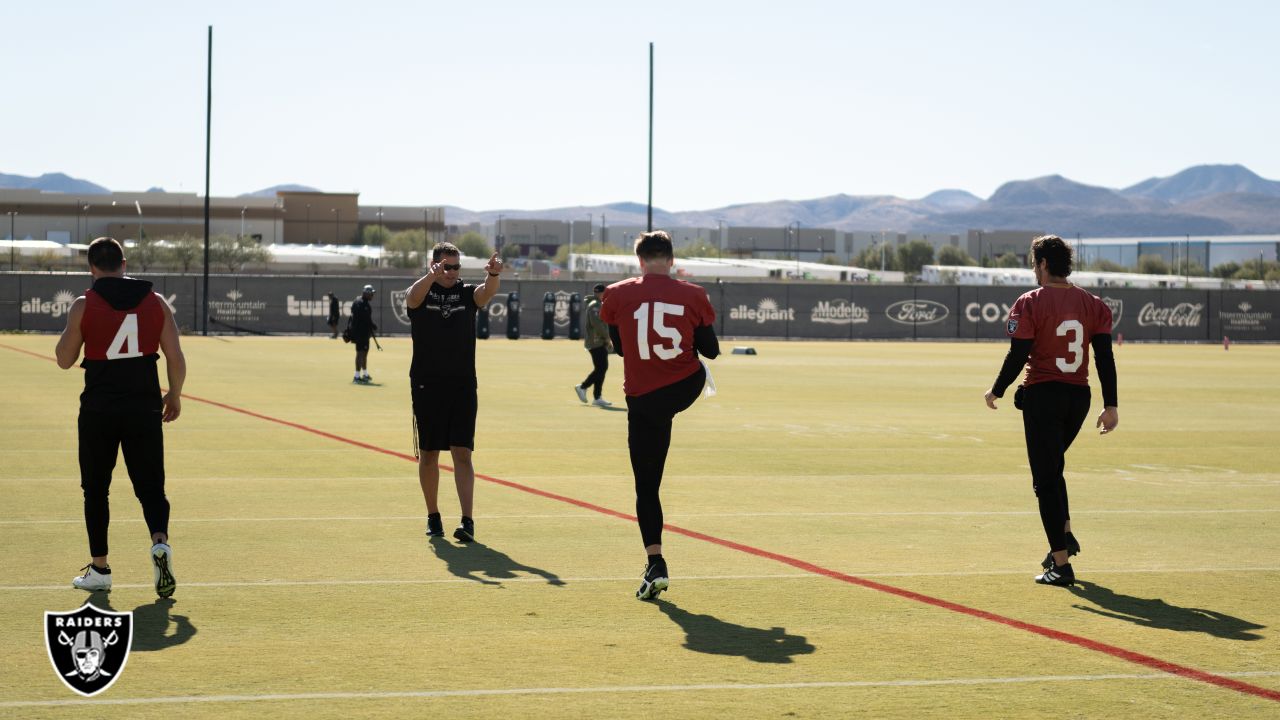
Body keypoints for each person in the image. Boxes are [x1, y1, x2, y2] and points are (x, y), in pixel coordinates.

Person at [984, 234, 1119, 588]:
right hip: (1079, 397)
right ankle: (1067, 535)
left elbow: (1018, 353)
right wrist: (1111, 405)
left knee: (1044, 479)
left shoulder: (1031, 302)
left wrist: (997, 389)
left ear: (1043, 264)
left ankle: (1060, 564)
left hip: (1045, 395)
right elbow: (1104, 357)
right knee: (1053, 469)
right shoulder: (1093, 304)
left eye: (1034, 264)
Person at [55, 237, 186, 598]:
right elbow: (175, 356)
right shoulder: (155, 301)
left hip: (99, 410)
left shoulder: (85, 303)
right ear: (124, 263)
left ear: (92, 267)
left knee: (96, 489)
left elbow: (64, 359)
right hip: (144, 407)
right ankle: (160, 543)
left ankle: (100, 569)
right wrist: (173, 394)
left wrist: (73, 327)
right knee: (151, 488)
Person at [599, 230, 720, 600]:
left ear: (639, 260)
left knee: (646, 487)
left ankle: (655, 561)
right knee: (699, 370)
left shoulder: (616, 294)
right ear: (670, 260)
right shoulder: (694, 294)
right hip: (683, 387)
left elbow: (620, 349)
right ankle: (655, 567)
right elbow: (711, 350)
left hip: (643, 400)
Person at [404, 243, 503, 542]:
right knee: (430, 453)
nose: (451, 272)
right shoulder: (423, 291)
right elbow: (412, 299)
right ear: (434, 264)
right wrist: (430, 278)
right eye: (446, 266)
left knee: (462, 452)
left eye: (456, 267)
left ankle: (467, 521)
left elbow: (485, 294)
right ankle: (433, 516)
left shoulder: (465, 293)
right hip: (426, 383)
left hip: (461, 384)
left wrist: (494, 275)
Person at [574, 282, 614, 407]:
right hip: (595, 341)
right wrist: (607, 338)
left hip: (598, 341)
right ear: (600, 293)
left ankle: (597, 396)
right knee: (601, 368)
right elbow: (597, 325)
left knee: (601, 368)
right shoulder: (595, 306)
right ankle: (583, 387)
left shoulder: (598, 304)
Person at [348, 284, 377, 383]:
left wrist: (371, 326)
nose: (372, 296)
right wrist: (372, 325)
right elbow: (363, 319)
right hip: (360, 333)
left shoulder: (362, 302)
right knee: (360, 353)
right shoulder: (360, 303)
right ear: (366, 293)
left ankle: (365, 374)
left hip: (364, 333)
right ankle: (356, 376)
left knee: (364, 353)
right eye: (371, 294)